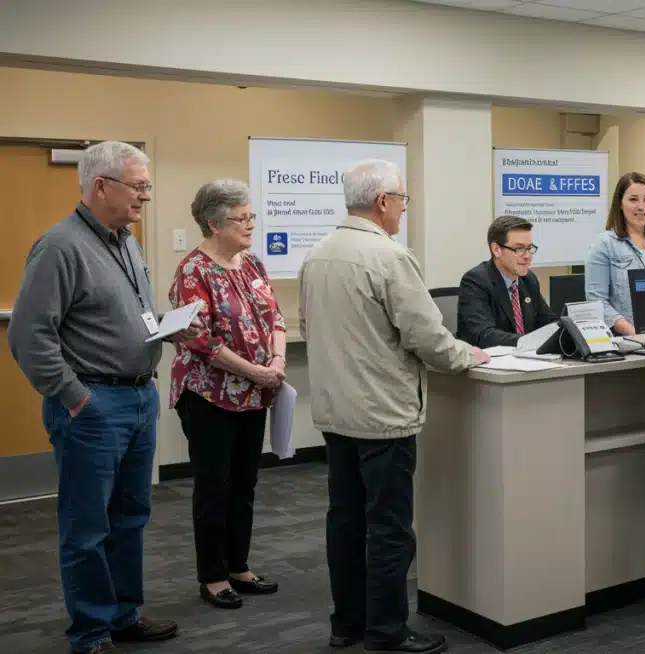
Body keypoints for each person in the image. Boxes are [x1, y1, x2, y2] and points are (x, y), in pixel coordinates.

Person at [300, 158, 489, 652]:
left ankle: (348, 623)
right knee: (389, 530)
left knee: (345, 521)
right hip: (383, 415)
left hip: (335, 412)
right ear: (383, 202)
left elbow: (310, 327)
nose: (403, 209)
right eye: (403, 200)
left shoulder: (317, 253)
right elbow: (426, 336)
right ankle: (386, 631)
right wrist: (468, 354)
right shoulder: (389, 257)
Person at [8, 141, 182, 653]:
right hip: (93, 405)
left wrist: (163, 329)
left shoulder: (125, 241)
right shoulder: (60, 246)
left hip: (139, 398)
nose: (146, 197)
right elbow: (29, 335)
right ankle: (90, 633)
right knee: (87, 527)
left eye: (148, 186)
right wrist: (73, 396)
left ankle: (124, 615)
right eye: (139, 186)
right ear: (101, 186)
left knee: (130, 517)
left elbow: (129, 314)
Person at [167, 179, 287, 610]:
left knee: (245, 483)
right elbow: (200, 341)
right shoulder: (193, 271)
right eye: (243, 218)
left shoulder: (251, 263)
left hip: (255, 394)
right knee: (214, 486)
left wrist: (276, 361)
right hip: (209, 396)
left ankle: (239, 565)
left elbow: (276, 317)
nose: (251, 224)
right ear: (215, 223)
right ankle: (213, 575)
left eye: (252, 216)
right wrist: (255, 370)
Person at [584, 172, 645, 336]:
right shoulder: (603, 245)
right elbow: (597, 301)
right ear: (620, 204)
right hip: (628, 342)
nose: (641, 207)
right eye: (633, 199)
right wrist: (633, 332)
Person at [456, 215, 557, 348]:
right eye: (519, 249)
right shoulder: (476, 281)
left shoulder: (528, 280)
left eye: (529, 248)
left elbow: (548, 322)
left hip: (527, 361)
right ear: (497, 250)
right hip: (490, 363)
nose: (527, 256)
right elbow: (483, 335)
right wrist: (527, 342)